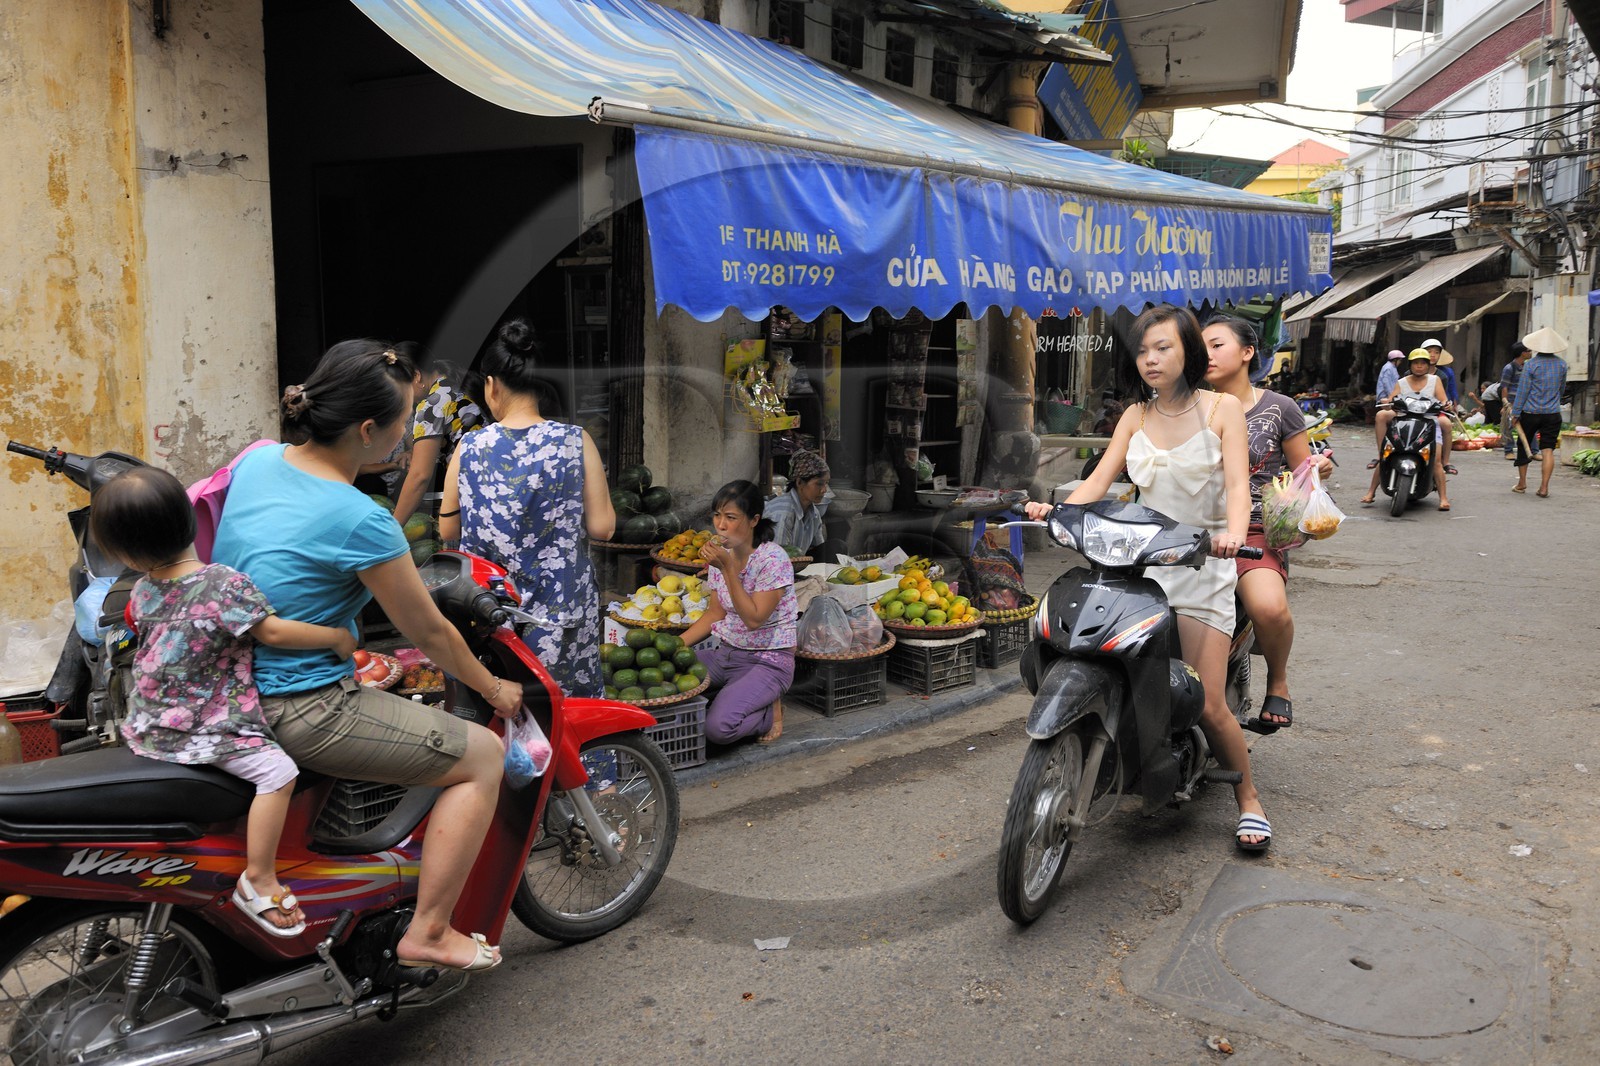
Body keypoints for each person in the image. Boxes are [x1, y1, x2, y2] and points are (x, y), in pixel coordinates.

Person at [213, 340, 524, 973]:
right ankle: (430, 931)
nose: (408, 434)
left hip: (228, 685)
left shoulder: (257, 461)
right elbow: (433, 635)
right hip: (302, 705)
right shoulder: (363, 520)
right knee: (484, 756)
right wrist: (493, 690)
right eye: (405, 422)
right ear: (366, 430)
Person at [1024, 305, 1269, 853]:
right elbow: (1099, 480)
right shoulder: (1135, 415)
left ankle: (1248, 798)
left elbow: (1236, 487)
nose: (1151, 359)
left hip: (1203, 561)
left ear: (1189, 350)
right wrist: (1055, 509)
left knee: (1206, 701)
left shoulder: (1223, 409)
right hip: (1141, 563)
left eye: (1163, 347)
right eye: (1142, 350)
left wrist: (1231, 535)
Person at [90, 467, 358, 938]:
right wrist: (336, 637)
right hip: (205, 725)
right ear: (191, 521)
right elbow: (272, 631)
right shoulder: (222, 583)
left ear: (126, 553)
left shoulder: (143, 588)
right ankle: (260, 877)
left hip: (150, 724)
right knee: (279, 773)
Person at [440, 319, 616, 698]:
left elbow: (446, 532)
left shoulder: (468, 448)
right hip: (561, 613)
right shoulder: (574, 441)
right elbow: (602, 528)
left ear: (491, 385)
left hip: (489, 614)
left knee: (498, 719)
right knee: (565, 716)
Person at [1202, 315, 1333, 733]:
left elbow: (1302, 472)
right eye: (1199, 345)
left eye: (1216, 344)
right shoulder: (1185, 404)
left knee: (1269, 608)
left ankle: (1278, 679)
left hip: (1254, 532)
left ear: (1247, 352)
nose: (1206, 354)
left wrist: (1318, 469)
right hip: (1190, 528)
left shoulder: (1280, 407)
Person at [678, 480, 798, 746]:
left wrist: (728, 569)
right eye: (717, 516)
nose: (720, 525)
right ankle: (739, 695)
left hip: (768, 661)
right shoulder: (722, 557)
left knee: (718, 729)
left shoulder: (772, 560)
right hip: (727, 653)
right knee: (670, 673)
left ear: (754, 520)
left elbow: (754, 619)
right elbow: (714, 615)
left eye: (731, 517)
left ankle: (768, 712)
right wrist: (675, 647)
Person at [393, 352, 484, 522]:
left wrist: (392, 528)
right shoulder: (458, 386)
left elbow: (420, 476)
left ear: (416, 376)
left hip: (473, 497)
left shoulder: (430, 406)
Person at [1363, 348, 1453, 510]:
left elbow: (1443, 400)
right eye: (1416, 363)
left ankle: (1443, 498)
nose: (1419, 366)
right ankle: (1371, 492)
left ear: (1428, 365)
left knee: (1436, 461)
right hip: (1404, 421)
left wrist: (1446, 404)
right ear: (1410, 365)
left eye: (1423, 363)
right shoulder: (1402, 382)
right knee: (1386, 454)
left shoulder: (1435, 380)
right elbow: (1391, 399)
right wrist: (1388, 402)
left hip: (1428, 421)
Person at [1511, 326, 1570, 498]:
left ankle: (1522, 484)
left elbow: (1523, 391)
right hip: (1552, 413)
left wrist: (1515, 413)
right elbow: (1561, 388)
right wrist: (1553, 402)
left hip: (1531, 412)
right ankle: (1544, 487)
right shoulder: (1562, 364)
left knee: (1524, 446)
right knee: (1548, 449)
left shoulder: (1531, 365)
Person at [763, 449, 835, 561]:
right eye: (819, 484)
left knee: (836, 547)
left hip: (797, 563)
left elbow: (819, 547)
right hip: (776, 567)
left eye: (826, 483)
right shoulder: (782, 513)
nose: (824, 490)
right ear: (799, 482)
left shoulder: (814, 513)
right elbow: (777, 559)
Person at [1500, 341, 1532, 459]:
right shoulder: (1509, 368)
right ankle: (1508, 451)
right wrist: (1506, 404)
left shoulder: (1528, 367)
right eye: (1528, 351)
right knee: (1508, 425)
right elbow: (1504, 387)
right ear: (1522, 353)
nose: (1530, 353)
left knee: (1529, 425)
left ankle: (1533, 450)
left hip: (1526, 401)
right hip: (1512, 401)